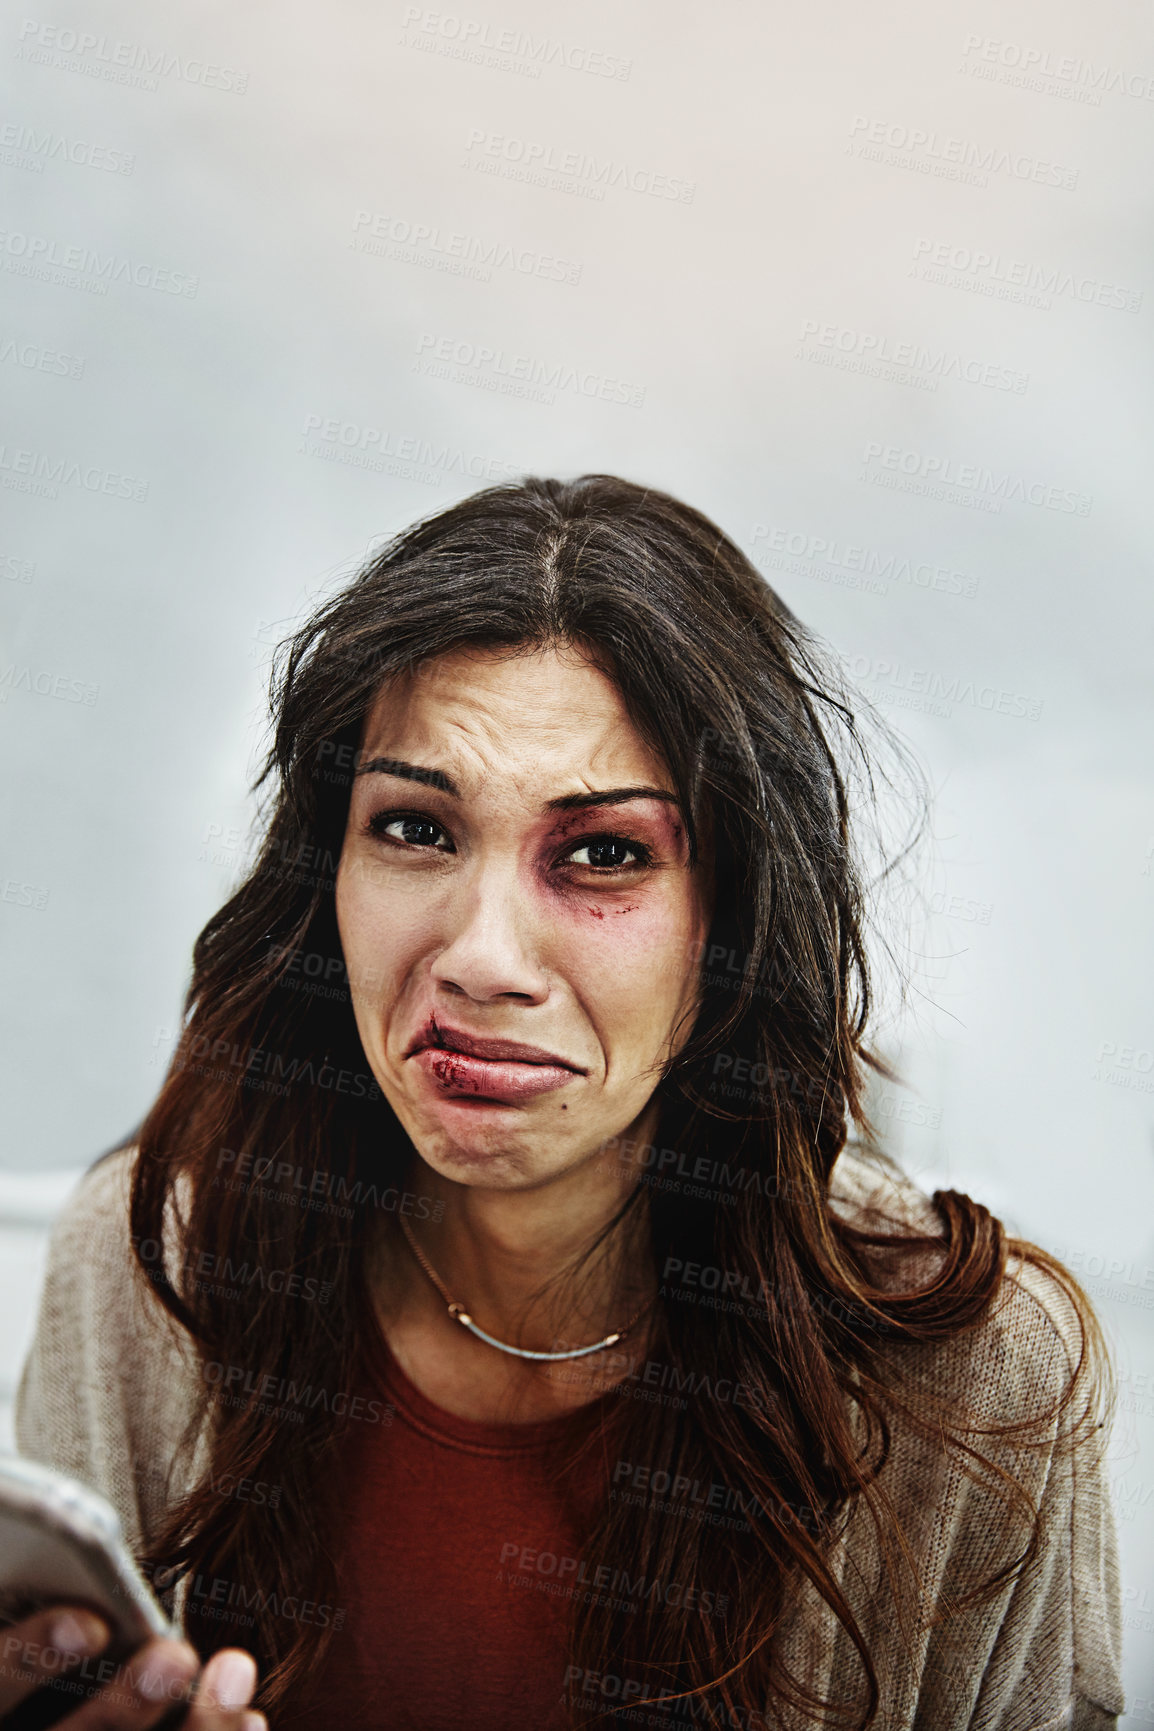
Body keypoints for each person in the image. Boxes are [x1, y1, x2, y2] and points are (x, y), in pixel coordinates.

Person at [9, 476, 1125, 1729]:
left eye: (602, 853)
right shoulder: (149, 1263)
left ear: (738, 925)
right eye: (416, 829)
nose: (481, 955)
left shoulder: (976, 1375)